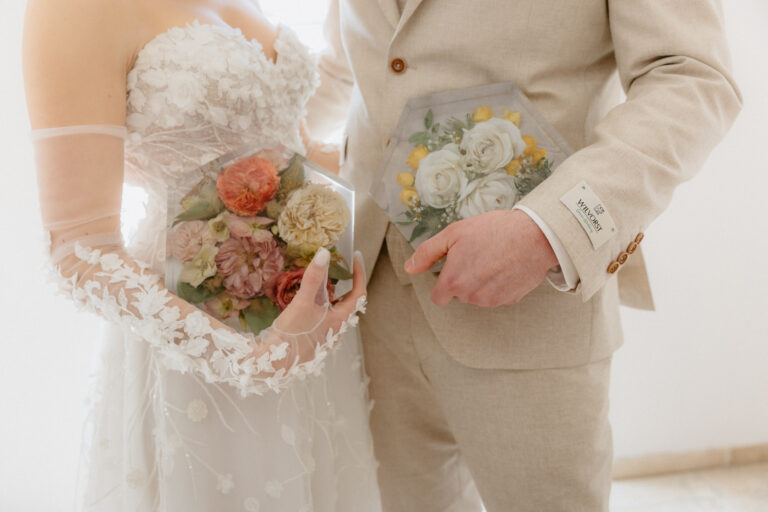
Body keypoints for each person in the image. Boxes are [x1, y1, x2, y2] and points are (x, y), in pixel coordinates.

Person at [304, 0, 743, 511]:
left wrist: (548, 228)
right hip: (364, 291)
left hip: (530, 308)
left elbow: (691, 78)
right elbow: (351, 59)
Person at [22, 0, 381, 510]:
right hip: (195, 339)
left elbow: (286, 148)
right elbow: (79, 248)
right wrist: (252, 359)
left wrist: (411, 167)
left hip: (311, 326)